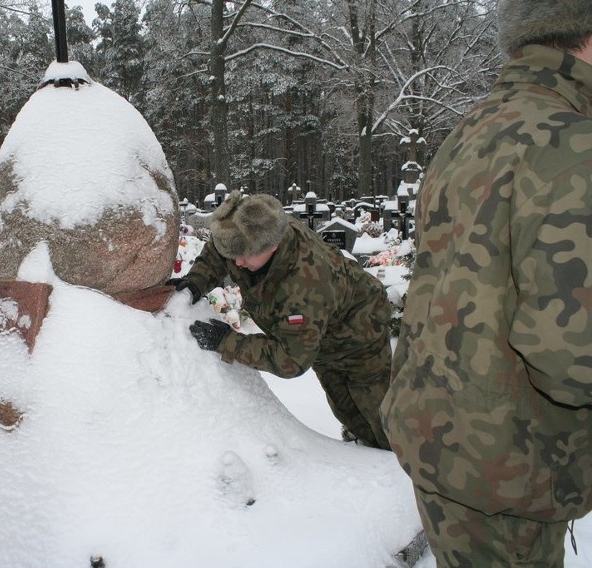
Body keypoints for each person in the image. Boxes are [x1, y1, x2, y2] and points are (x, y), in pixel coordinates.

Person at [381, 1, 592, 565]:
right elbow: (571, 349)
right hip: (508, 462)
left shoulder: (474, 127)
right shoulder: (570, 142)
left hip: (442, 437)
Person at [170, 190, 392, 450]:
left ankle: (400, 466)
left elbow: (290, 360)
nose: (237, 263)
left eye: (244, 256)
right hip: (317, 338)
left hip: (359, 336)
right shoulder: (251, 233)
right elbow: (221, 251)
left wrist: (227, 342)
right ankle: (365, 444)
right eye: (235, 254)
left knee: (382, 418)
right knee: (348, 412)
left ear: (272, 246)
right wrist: (197, 281)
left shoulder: (304, 283)